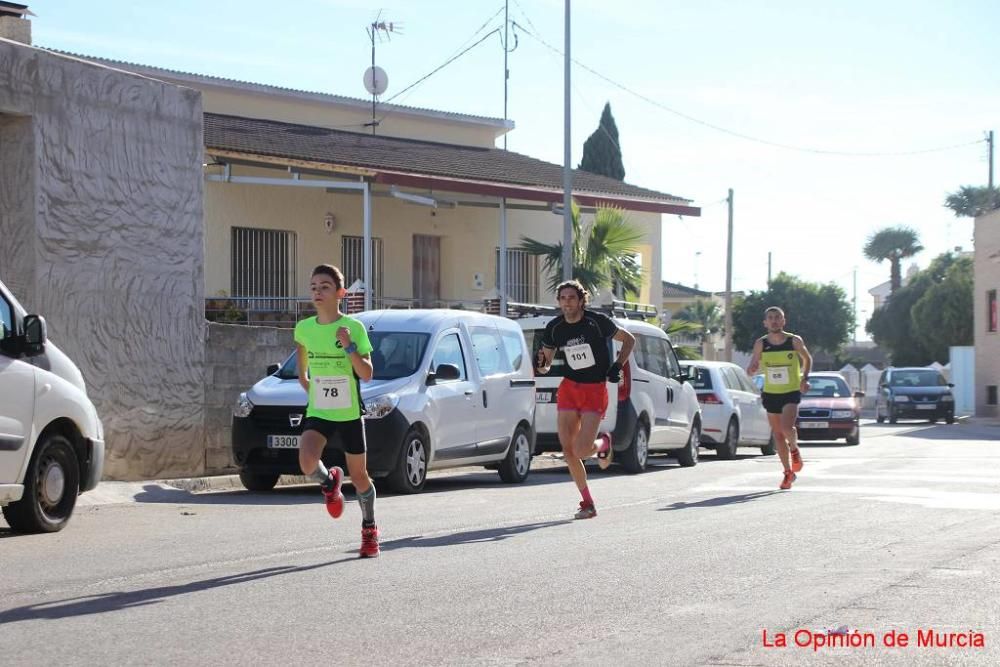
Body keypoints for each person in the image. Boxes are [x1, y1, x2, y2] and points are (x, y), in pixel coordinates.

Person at [295, 264, 380, 557]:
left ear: (340, 293)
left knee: (359, 477)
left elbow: (366, 373)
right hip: (320, 410)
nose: (318, 292)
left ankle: (369, 529)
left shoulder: (353, 328)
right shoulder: (303, 329)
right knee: (307, 462)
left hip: (348, 413)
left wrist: (348, 347)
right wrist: (316, 394)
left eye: (325, 287)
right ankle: (330, 482)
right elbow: (302, 375)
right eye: (314, 287)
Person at [535, 280, 635, 519]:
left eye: (571, 297)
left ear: (581, 300)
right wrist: (541, 363)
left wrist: (617, 365)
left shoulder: (596, 322)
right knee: (569, 452)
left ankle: (604, 444)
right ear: (559, 302)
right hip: (569, 388)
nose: (567, 302)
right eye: (562, 298)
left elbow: (629, 339)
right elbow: (546, 365)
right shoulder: (555, 327)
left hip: (594, 389)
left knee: (581, 450)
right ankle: (587, 503)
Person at [746, 306, 812, 490]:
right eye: (771, 318)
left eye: (778, 317)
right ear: (765, 322)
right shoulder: (761, 343)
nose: (774, 320)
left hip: (790, 391)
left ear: (784, 321)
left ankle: (794, 449)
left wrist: (804, 378)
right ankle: (787, 473)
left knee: (786, 428)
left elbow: (807, 359)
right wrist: (751, 369)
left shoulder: (794, 341)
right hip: (771, 392)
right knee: (777, 435)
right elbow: (753, 364)